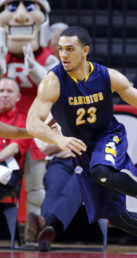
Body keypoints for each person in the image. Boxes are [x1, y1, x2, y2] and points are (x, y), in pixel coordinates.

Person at [26, 26, 137, 258]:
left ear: (85, 51)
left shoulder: (107, 76)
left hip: (107, 135)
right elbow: (32, 123)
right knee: (116, 217)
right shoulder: (53, 81)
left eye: (70, 49)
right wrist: (59, 139)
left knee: (101, 171)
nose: (63, 54)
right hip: (81, 149)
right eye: (61, 49)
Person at [0, 0, 59, 240]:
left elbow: (56, 86)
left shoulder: (48, 57)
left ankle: (33, 232)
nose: (22, 16)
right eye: (12, 8)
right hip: (7, 127)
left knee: (36, 187)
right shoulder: (2, 54)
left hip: (35, 127)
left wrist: (34, 68)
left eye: (30, 8)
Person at [0, 77, 30, 198]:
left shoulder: (23, 121)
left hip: (8, 173)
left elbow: (14, 148)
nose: (5, 95)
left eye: (9, 91)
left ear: (18, 97)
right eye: (1, 91)